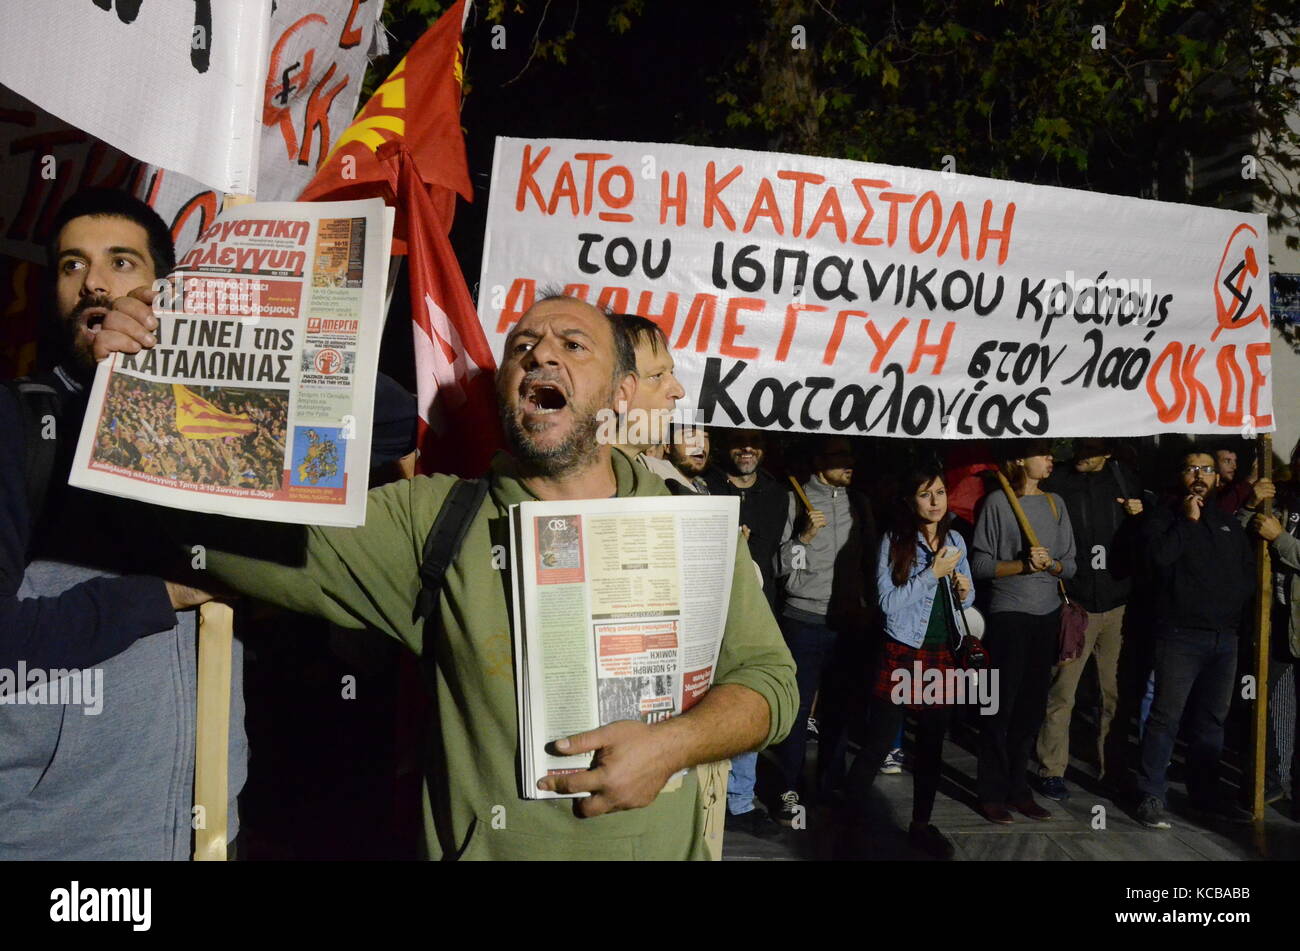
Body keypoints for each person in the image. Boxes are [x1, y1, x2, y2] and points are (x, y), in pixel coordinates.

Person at [99, 291, 799, 860]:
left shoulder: (686, 521)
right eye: (522, 346)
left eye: (571, 344)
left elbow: (772, 682)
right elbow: (235, 527)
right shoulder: (432, 521)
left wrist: (672, 744)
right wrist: (125, 387)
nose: (539, 353)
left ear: (620, 391)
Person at [1, 189, 222, 859]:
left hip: (205, 833)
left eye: (121, 262)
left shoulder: (218, 415)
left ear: (164, 288)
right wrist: (160, 594)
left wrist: (203, 337)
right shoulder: (18, 423)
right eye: (72, 265)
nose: (93, 281)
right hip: (54, 842)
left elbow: (385, 421)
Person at [844, 465, 974, 860]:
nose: (935, 502)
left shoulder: (955, 540)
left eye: (939, 492)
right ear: (909, 500)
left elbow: (965, 602)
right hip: (903, 648)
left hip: (941, 651)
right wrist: (932, 573)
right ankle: (846, 821)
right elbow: (888, 603)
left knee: (933, 745)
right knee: (879, 742)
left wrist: (964, 589)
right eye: (925, 494)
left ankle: (921, 823)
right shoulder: (895, 540)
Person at [1134, 447, 1263, 829]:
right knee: (1165, 718)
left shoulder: (1228, 523)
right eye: (1192, 468)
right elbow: (1159, 560)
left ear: (1216, 477)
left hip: (1224, 639)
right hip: (1179, 637)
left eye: (1206, 469)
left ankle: (1205, 795)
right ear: (1181, 475)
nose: (1200, 475)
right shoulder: (1162, 517)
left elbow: (1245, 575)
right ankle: (1151, 795)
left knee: (1211, 722)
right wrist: (1187, 523)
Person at [970, 438, 1076, 824]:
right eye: (1042, 452)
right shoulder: (997, 504)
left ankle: (1019, 789)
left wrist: (1052, 566)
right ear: (1019, 459)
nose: (1050, 459)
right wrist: (1021, 567)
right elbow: (979, 564)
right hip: (1009, 616)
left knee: (1031, 709)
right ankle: (991, 791)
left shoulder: (1055, 503)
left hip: (1046, 615)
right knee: (999, 707)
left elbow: (1072, 565)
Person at [771, 435, 873, 825]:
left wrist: (868, 607)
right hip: (802, 621)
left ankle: (830, 785)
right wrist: (804, 538)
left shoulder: (858, 503)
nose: (849, 462)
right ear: (818, 461)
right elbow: (779, 565)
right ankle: (789, 789)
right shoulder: (794, 499)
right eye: (839, 456)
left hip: (848, 624)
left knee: (839, 711)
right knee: (796, 713)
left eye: (851, 455)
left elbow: (869, 561)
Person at [1034, 437, 1144, 800]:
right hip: (1075, 603)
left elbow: (1144, 531)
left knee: (1112, 695)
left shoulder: (1123, 479)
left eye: (1091, 447)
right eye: (1080, 445)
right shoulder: (1059, 482)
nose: (1081, 452)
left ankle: (1110, 769)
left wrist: (1139, 514)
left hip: (1118, 604)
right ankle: (1051, 770)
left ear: (1108, 450)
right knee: (1062, 692)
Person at [1249, 440, 1300, 819]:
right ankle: (1272, 778)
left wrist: (1279, 538)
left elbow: (1276, 539)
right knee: (1266, 701)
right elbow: (1243, 534)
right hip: (1276, 616)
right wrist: (1252, 505)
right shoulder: (1283, 497)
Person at [610, 315, 692, 492]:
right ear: (615, 390)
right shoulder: (551, 488)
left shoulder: (670, 483)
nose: (679, 391)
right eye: (656, 376)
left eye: (672, 373)